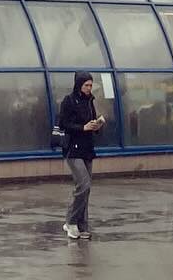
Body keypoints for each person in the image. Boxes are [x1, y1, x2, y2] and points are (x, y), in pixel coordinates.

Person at [58, 73, 105, 240]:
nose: (89, 88)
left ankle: (82, 225)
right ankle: (70, 222)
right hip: (73, 148)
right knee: (83, 185)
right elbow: (64, 124)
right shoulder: (69, 101)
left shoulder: (89, 101)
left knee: (87, 188)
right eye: (86, 85)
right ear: (79, 85)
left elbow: (91, 121)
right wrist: (82, 127)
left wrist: (96, 125)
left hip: (87, 148)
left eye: (91, 85)